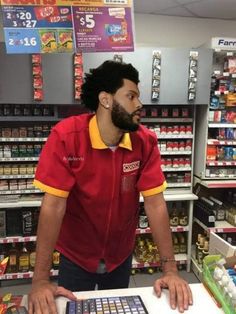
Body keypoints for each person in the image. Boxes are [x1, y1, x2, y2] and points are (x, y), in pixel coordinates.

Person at [28, 60, 193, 314]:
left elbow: (155, 204)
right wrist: (40, 280)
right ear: (106, 100)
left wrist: (170, 270)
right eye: (131, 96)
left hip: (120, 256)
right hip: (76, 256)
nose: (139, 104)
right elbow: (53, 206)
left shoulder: (144, 142)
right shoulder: (67, 137)